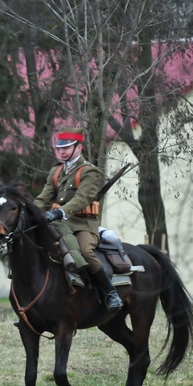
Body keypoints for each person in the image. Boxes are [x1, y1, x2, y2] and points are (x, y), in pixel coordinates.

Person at [34, 126, 123, 310]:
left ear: (79, 148)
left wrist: (60, 212)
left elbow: (82, 198)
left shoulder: (90, 172)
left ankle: (110, 293)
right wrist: (30, 213)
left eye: (67, 147)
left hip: (83, 224)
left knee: (85, 251)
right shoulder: (56, 171)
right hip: (59, 224)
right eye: (59, 148)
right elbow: (44, 198)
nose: (62, 151)